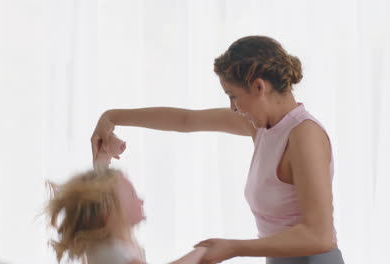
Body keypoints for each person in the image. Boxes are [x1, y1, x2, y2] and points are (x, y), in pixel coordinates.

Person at [90, 36, 345, 264]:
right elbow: (187, 121)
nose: (233, 107)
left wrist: (234, 247)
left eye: (232, 95)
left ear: (258, 87)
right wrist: (112, 117)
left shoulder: (304, 135)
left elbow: (319, 235)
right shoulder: (263, 128)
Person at [44, 168, 206, 264]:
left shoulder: (108, 245)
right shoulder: (109, 251)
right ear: (108, 213)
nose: (141, 200)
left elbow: (98, 188)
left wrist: (104, 155)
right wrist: (200, 253)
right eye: (132, 194)